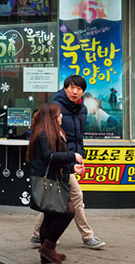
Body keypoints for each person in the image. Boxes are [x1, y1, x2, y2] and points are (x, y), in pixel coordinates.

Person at [30, 75, 106, 250]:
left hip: (69, 160)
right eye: (71, 87)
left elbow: (78, 137)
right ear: (65, 88)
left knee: (54, 200)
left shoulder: (83, 109)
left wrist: (78, 157)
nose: (74, 91)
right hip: (60, 159)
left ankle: (38, 236)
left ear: (83, 92)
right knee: (72, 197)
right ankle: (87, 236)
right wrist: (70, 158)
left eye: (79, 88)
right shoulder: (55, 107)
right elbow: (51, 138)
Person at [27, 103, 83, 264]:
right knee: (68, 212)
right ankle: (47, 248)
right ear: (51, 117)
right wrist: (73, 156)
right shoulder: (45, 134)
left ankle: (46, 255)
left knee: (50, 217)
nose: (61, 117)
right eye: (59, 115)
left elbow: (54, 159)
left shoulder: (52, 132)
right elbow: (50, 157)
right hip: (50, 182)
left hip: (54, 179)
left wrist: (72, 167)